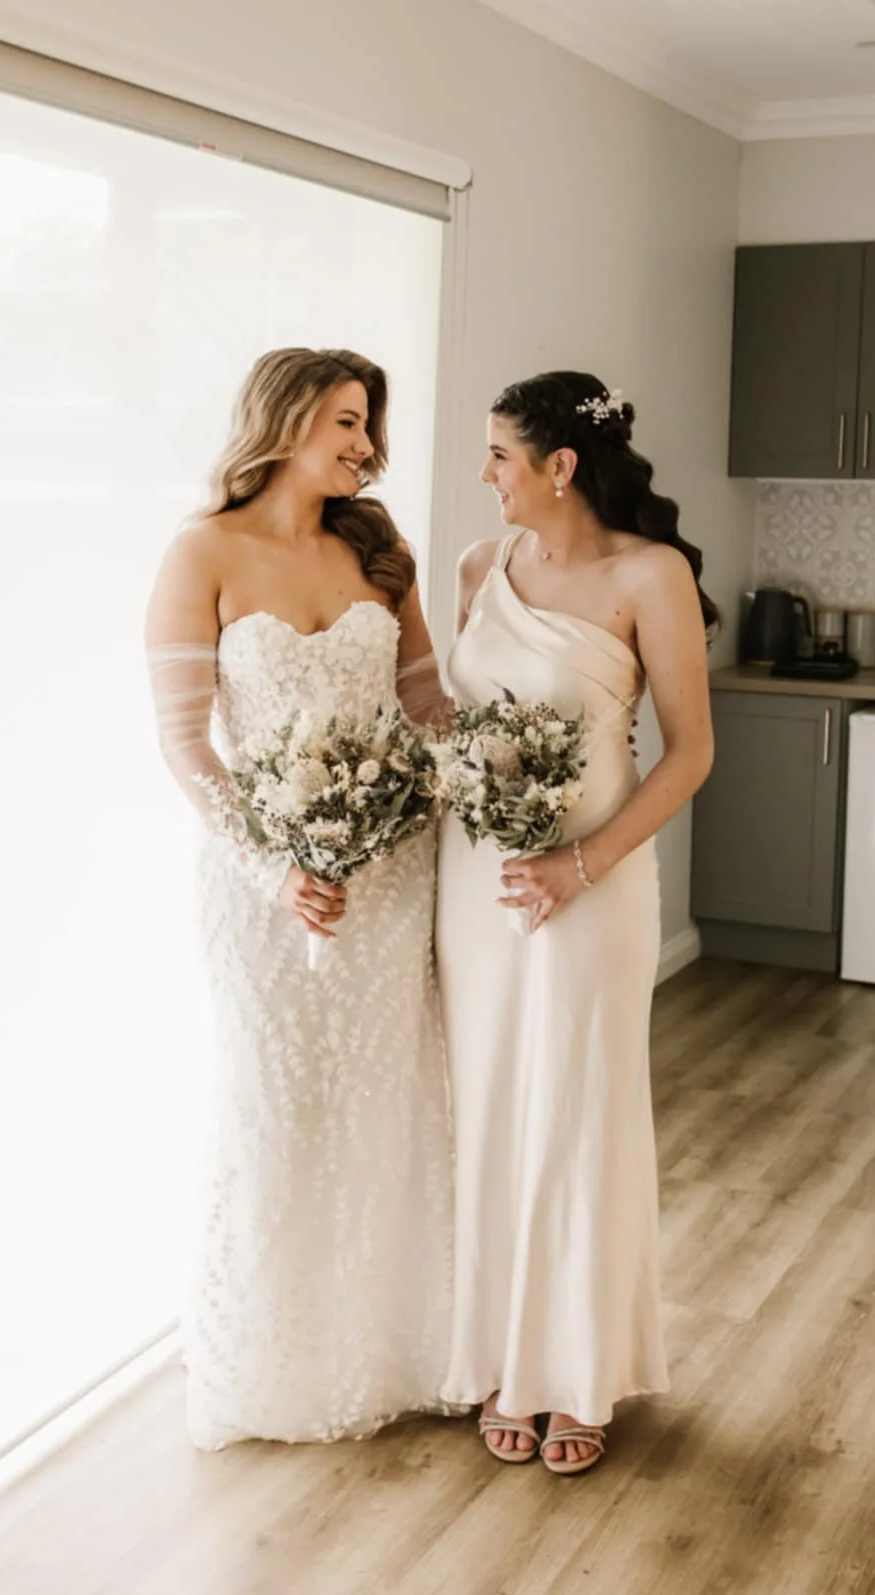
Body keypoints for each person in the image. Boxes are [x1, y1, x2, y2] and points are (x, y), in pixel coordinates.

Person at [144, 347, 453, 1449]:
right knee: (272, 1107)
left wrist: (510, 771)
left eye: (370, 422)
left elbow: (427, 710)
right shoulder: (203, 550)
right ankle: (272, 1364)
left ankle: (390, 1349)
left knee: (381, 1099)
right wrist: (272, 868)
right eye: (346, 418)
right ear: (284, 419)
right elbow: (186, 746)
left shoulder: (382, 552)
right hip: (257, 887)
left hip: (387, 878)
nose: (366, 443)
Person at [436, 370, 716, 1473]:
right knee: (494, 1104)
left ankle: (578, 1370)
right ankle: (503, 1355)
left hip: (595, 885)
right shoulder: (477, 566)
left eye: (501, 453)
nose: (485, 473)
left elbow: (691, 751)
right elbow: (461, 720)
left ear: (560, 464)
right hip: (479, 884)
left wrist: (580, 863)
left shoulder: (655, 574)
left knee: (582, 1109)